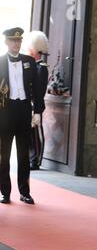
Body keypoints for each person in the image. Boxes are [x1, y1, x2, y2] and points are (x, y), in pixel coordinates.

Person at [0, 27, 43, 205]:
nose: (16, 44)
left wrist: (38, 111)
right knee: (3, 155)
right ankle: (5, 192)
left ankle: (25, 192)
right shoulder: (0, 61)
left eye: (18, 41)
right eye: (12, 41)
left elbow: (38, 88)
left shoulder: (29, 62)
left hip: (24, 109)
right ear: (6, 42)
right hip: (5, 111)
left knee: (24, 154)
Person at [25, 31, 49, 171]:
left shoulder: (41, 68)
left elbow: (39, 92)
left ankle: (36, 161)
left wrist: (37, 110)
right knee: (28, 134)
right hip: (28, 104)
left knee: (36, 134)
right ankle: (30, 159)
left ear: (34, 50)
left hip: (35, 105)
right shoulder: (32, 66)